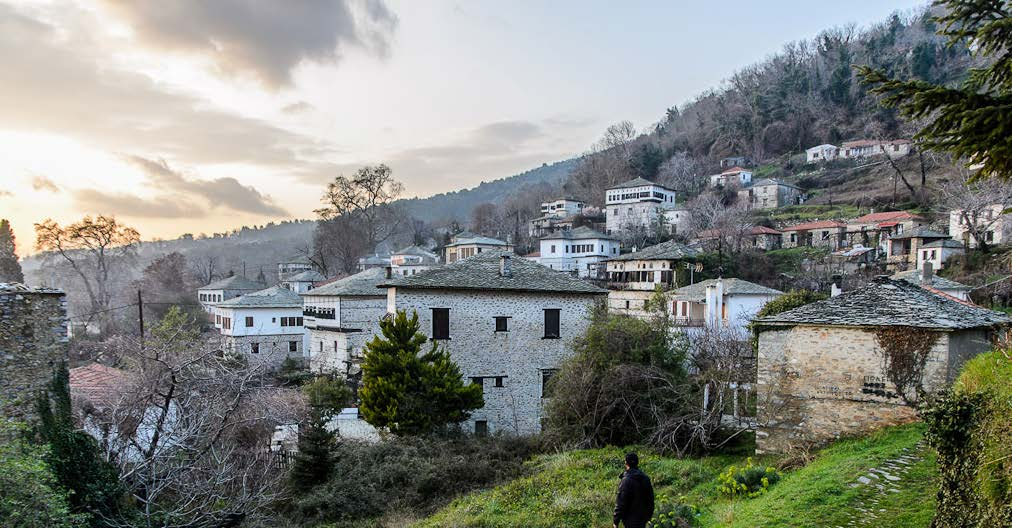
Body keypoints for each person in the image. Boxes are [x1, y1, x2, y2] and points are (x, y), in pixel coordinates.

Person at [613, 452, 655, 528]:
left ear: (626, 463)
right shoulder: (645, 478)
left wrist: (616, 521)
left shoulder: (626, 480)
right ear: (637, 462)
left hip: (630, 520)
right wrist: (649, 516)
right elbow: (650, 499)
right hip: (643, 519)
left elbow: (621, 503)